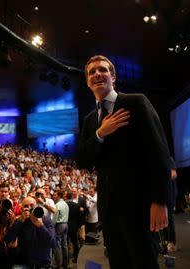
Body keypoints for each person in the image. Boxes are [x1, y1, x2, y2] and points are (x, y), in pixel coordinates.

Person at [77, 55, 172, 269]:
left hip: (139, 205)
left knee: (144, 262)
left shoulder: (135, 102)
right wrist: (100, 133)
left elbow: (159, 152)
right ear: (87, 82)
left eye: (102, 70)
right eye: (92, 72)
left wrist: (160, 200)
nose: (97, 74)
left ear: (113, 76)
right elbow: (82, 160)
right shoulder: (90, 120)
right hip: (108, 210)